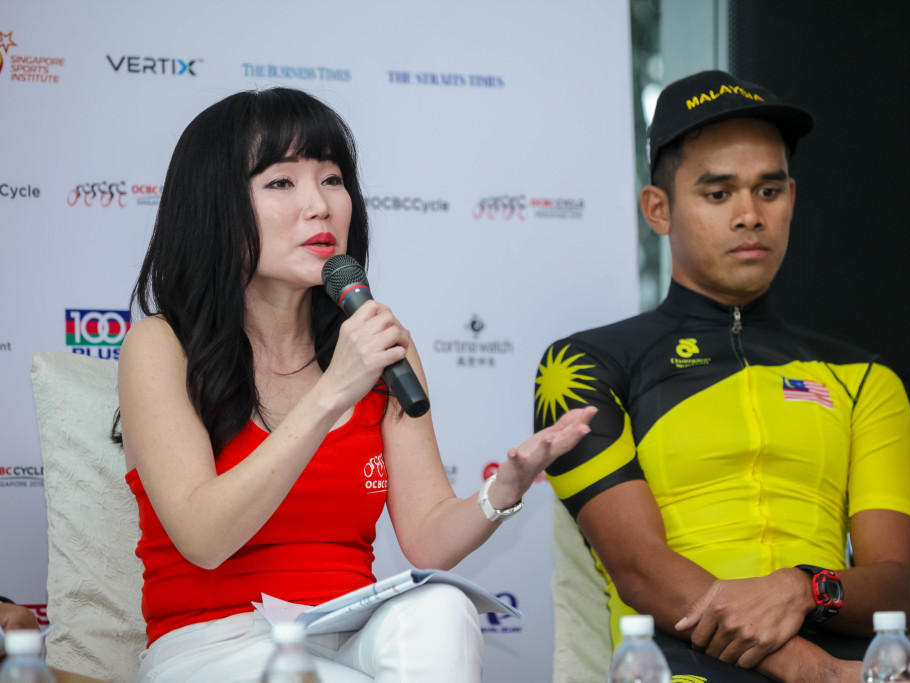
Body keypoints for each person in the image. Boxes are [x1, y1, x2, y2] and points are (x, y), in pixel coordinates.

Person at [534, 70, 910, 682]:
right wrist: (810, 670)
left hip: (838, 643)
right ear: (658, 209)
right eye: (718, 194)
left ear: (792, 196)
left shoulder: (865, 379)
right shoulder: (580, 367)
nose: (749, 216)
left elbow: (899, 591)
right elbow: (640, 569)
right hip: (679, 654)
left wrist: (804, 589)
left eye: (769, 191)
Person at [114, 86, 595, 683]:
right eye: (282, 182)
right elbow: (204, 537)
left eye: (332, 179)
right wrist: (332, 391)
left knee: (442, 607)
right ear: (214, 204)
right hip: (218, 644)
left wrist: (502, 492)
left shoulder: (378, 340)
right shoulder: (161, 347)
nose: (319, 206)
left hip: (352, 630)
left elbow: (425, 540)